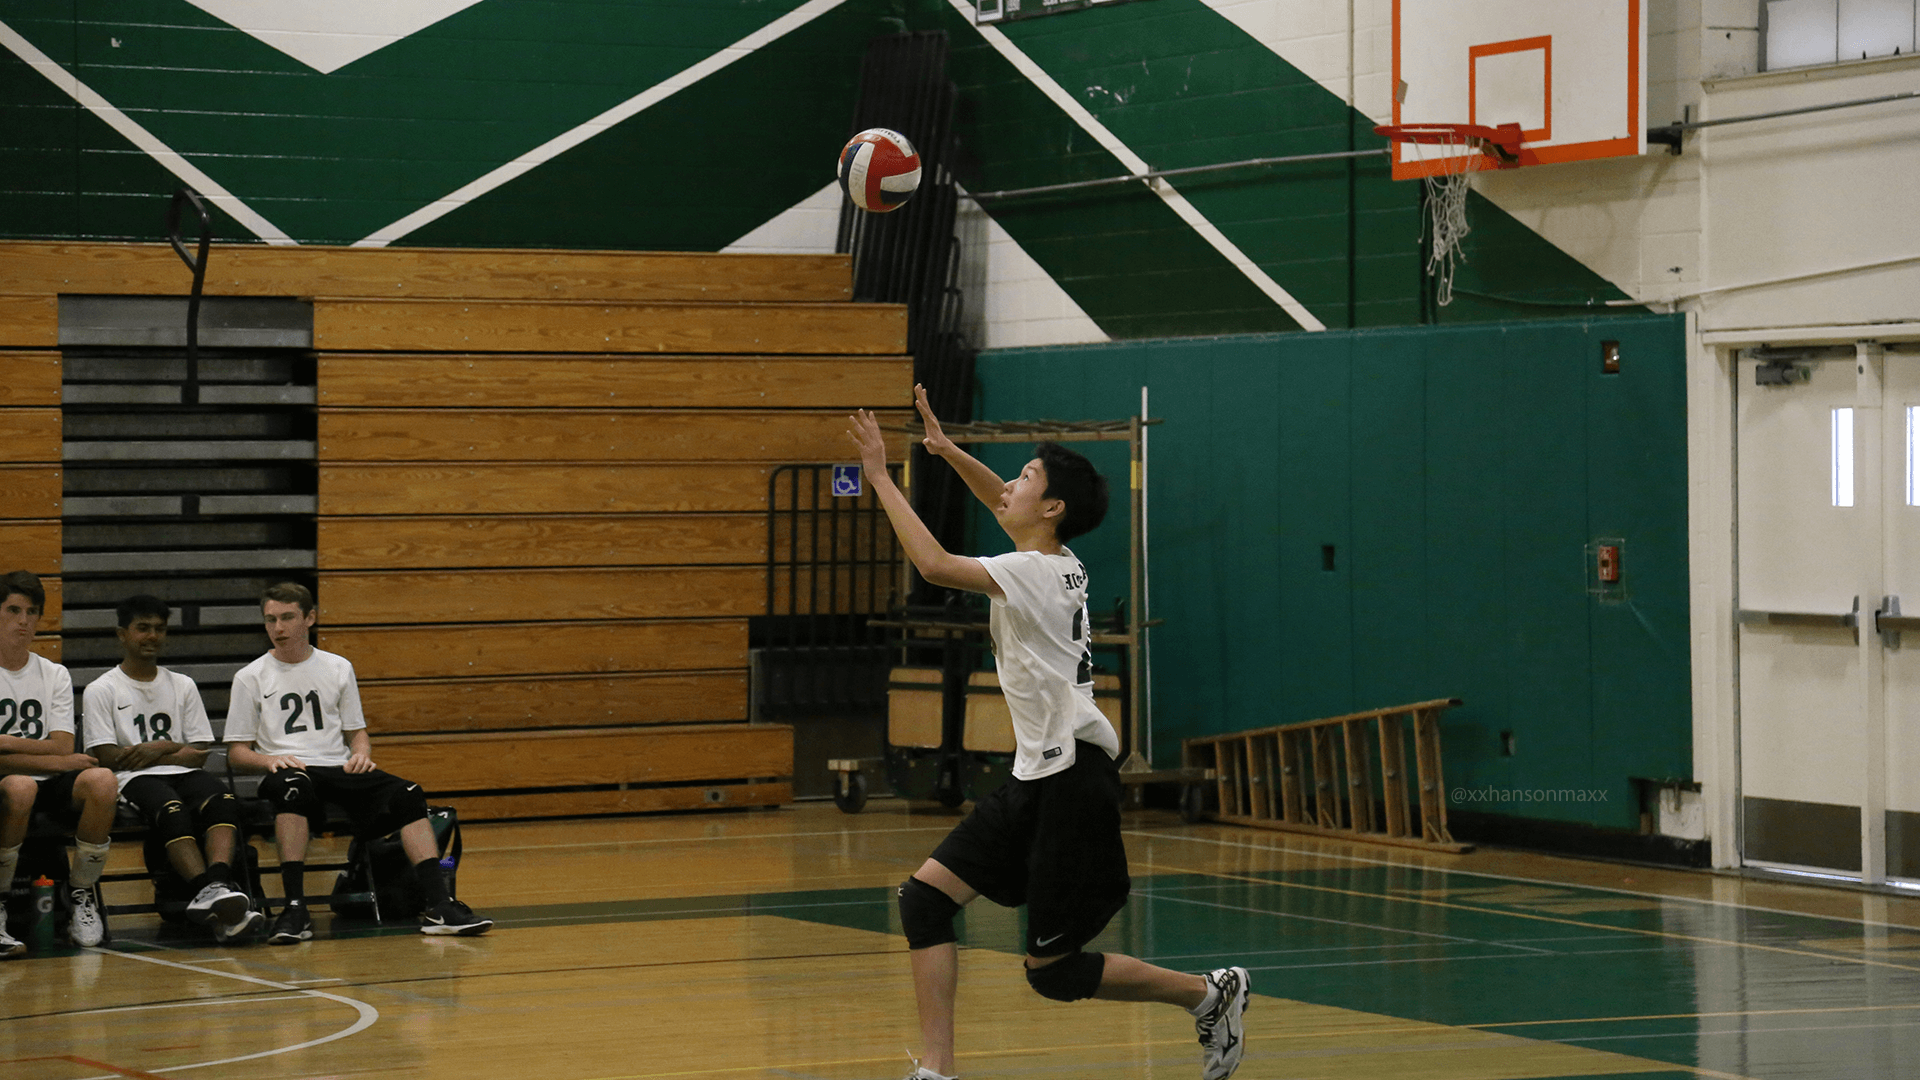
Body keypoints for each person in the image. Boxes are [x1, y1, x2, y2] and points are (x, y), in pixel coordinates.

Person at [845, 387, 1251, 1080]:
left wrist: (882, 476)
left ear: (1053, 507)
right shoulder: (1057, 561)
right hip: (1037, 772)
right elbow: (1003, 501)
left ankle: (1210, 995)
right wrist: (947, 451)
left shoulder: (1032, 573)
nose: (1009, 486)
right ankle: (937, 1071)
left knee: (1053, 971)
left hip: (1072, 782)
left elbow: (934, 565)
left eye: (1026, 477)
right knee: (924, 901)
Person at [225, 582, 491, 943]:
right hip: (288, 772)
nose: (279, 628)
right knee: (293, 789)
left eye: (287, 618)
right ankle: (295, 909)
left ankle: (439, 905)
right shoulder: (250, 676)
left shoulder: (337, 667)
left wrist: (361, 755)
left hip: (337, 768)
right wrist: (269, 760)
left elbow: (357, 733)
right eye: (271, 620)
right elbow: (237, 754)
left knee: (408, 793)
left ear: (310, 618)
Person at [83, 594, 264, 942]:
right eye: (143, 628)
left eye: (160, 628)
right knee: (172, 809)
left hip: (184, 773)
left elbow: (199, 754)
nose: (152, 636)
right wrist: (172, 751)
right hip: (132, 779)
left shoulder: (182, 684)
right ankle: (210, 891)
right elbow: (108, 756)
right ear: (122, 634)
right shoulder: (101, 689)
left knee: (224, 800)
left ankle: (216, 888)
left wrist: (159, 747)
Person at [0, 570, 118, 955]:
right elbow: (59, 753)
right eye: (14, 610)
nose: (24, 620)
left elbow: (64, 744)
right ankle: (0, 901)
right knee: (21, 786)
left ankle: (81, 892)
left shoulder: (53, 674)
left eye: (32, 612)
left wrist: (5, 743)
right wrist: (54, 759)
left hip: (48, 780)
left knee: (103, 781)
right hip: (12, 782)